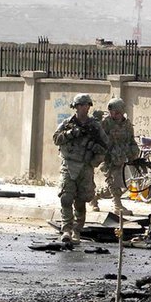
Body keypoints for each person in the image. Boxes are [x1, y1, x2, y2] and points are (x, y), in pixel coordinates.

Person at [53, 93, 108, 243]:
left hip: (85, 166)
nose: (84, 108)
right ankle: (66, 229)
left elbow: (105, 146)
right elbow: (56, 139)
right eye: (81, 105)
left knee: (81, 200)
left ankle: (77, 230)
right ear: (76, 107)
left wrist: (93, 153)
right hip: (69, 165)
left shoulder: (95, 126)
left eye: (86, 105)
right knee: (65, 197)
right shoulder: (67, 123)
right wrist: (71, 133)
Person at [88, 97, 140, 215]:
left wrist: (134, 152)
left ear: (122, 112)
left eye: (116, 113)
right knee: (112, 181)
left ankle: (95, 197)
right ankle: (117, 205)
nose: (114, 115)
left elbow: (131, 140)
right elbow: (97, 137)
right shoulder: (105, 123)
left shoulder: (127, 125)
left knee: (120, 185)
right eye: (112, 112)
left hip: (121, 157)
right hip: (107, 158)